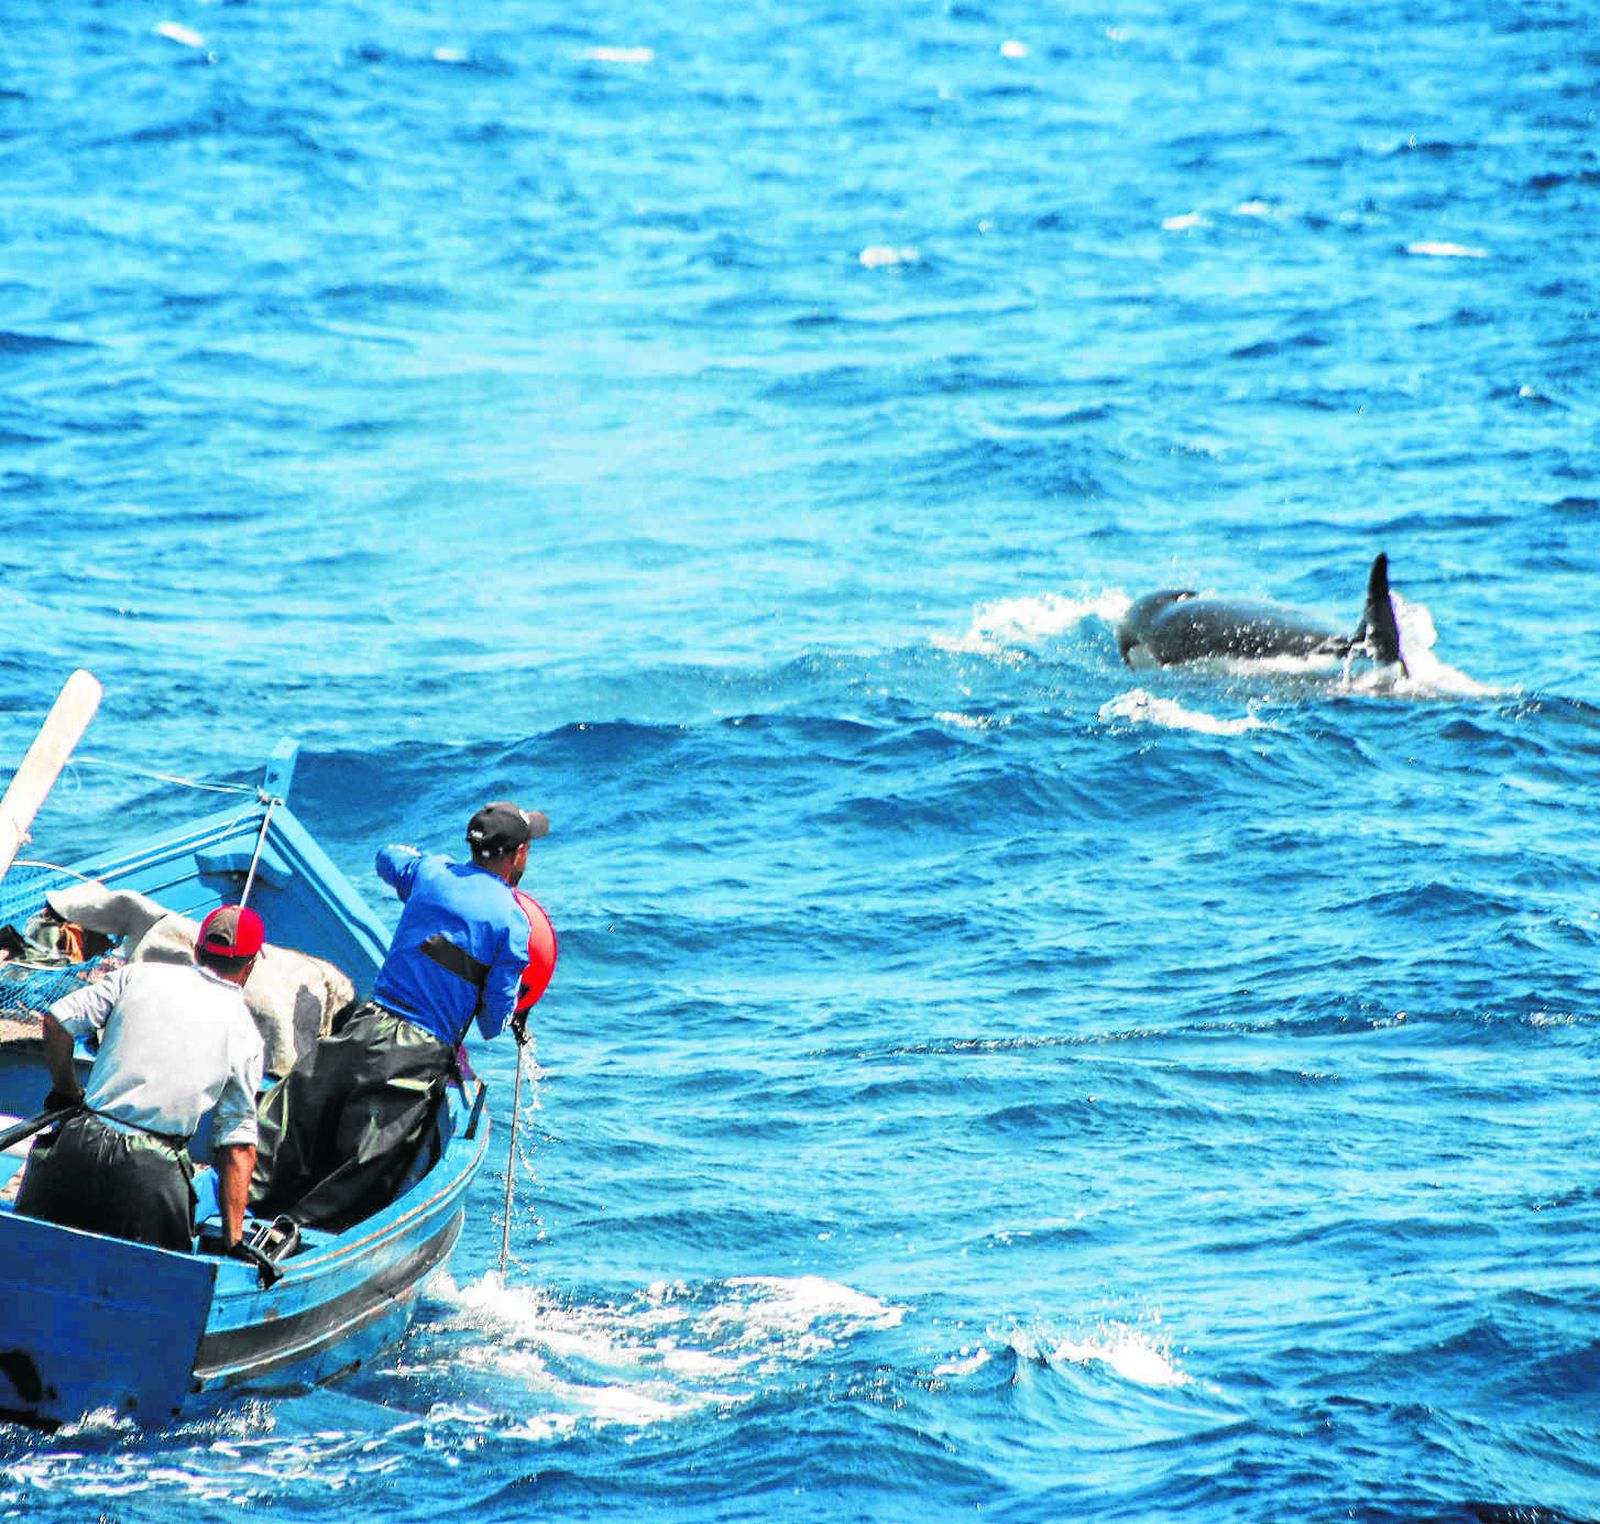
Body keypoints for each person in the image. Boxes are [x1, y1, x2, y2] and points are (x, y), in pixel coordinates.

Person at [250, 800, 557, 1231]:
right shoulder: (512, 922)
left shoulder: (431, 872)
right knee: (369, 1169)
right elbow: (492, 1025)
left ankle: (232, 1205)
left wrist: (423, 868)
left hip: (364, 1027)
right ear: (519, 854)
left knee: (286, 1122)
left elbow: (386, 857)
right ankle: (296, 1234)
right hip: (418, 1056)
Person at [14, 904, 266, 1253]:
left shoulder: (137, 975)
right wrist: (234, 1240)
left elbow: (56, 1022)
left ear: (197, 950)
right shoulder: (245, 1035)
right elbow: (237, 1147)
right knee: (152, 1274)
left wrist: (67, 1090)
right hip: (151, 1175)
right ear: (250, 966)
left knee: (27, 1254)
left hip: (78, 1147)